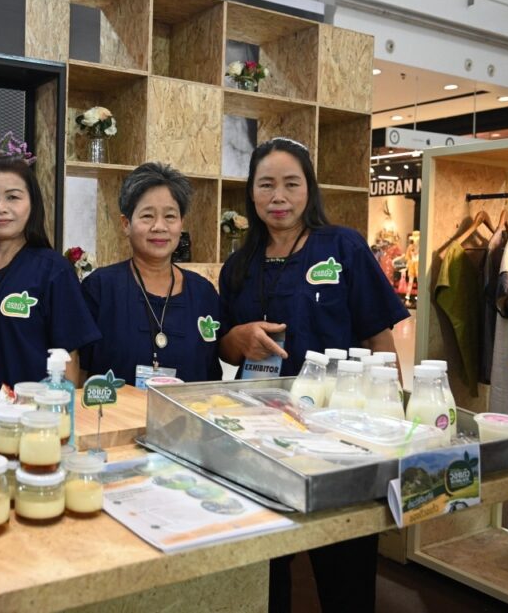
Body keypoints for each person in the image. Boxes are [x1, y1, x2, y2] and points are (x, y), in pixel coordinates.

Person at [217, 137, 409, 613]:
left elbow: (378, 335)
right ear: (251, 192)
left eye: (291, 184)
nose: (278, 197)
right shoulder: (239, 265)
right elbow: (224, 344)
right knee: (266, 566)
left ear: (309, 189)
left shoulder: (342, 246)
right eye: (266, 185)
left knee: (344, 565)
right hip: (261, 434)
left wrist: (394, 416)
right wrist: (237, 337)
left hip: (339, 434)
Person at [0, 155, 100, 392]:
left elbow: (69, 357)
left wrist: (63, 410)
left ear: (32, 203)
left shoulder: (54, 270)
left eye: (13, 197)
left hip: (30, 410)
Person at [81, 162, 222, 386]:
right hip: (115, 410)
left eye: (170, 216)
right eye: (147, 216)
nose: (159, 226)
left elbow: (211, 376)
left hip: (187, 410)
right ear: (126, 224)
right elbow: (80, 372)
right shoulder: (100, 288)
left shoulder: (203, 293)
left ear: (181, 224)